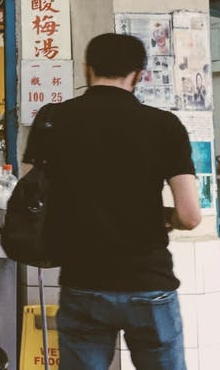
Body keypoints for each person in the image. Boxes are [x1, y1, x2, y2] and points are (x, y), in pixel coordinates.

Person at [23, 33, 201, 370]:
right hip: (149, 282)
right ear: (140, 74)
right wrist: (169, 218)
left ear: (87, 69)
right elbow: (190, 216)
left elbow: (31, 197)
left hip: (83, 280)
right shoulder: (164, 125)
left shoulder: (53, 119)